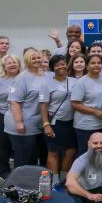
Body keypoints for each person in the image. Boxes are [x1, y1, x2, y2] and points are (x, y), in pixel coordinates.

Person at [7, 48, 48, 169]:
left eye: (38, 58)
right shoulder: (21, 78)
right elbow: (14, 102)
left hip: (39, 124)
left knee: (34, 156)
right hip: (24, 124)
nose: (36, 60)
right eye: (33, 58)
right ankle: (19, 185)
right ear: (26, 60)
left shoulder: (45, 75)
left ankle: (31, 184)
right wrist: (19, 122)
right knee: (24, 158)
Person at [39, 55, 76, 188]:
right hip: (55, 122)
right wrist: (46, 124)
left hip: (72, 122)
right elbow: (43, 105)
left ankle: (64, 178)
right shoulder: (46, 83)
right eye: (57, 65)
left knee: (70, 151)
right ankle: (54, 181)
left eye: (63, 64)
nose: (61, 67)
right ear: (52, 68)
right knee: (53, 152)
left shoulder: (74, 81)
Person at [70, 54, 102, 156]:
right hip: (85, 125)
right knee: (86, 154)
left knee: (101, 153)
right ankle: (84, 172)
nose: (96, 65)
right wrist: (94, 111)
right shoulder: (82, 82)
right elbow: (75, 104)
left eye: (99, 63)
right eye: (93, 63)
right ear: (87, 66)